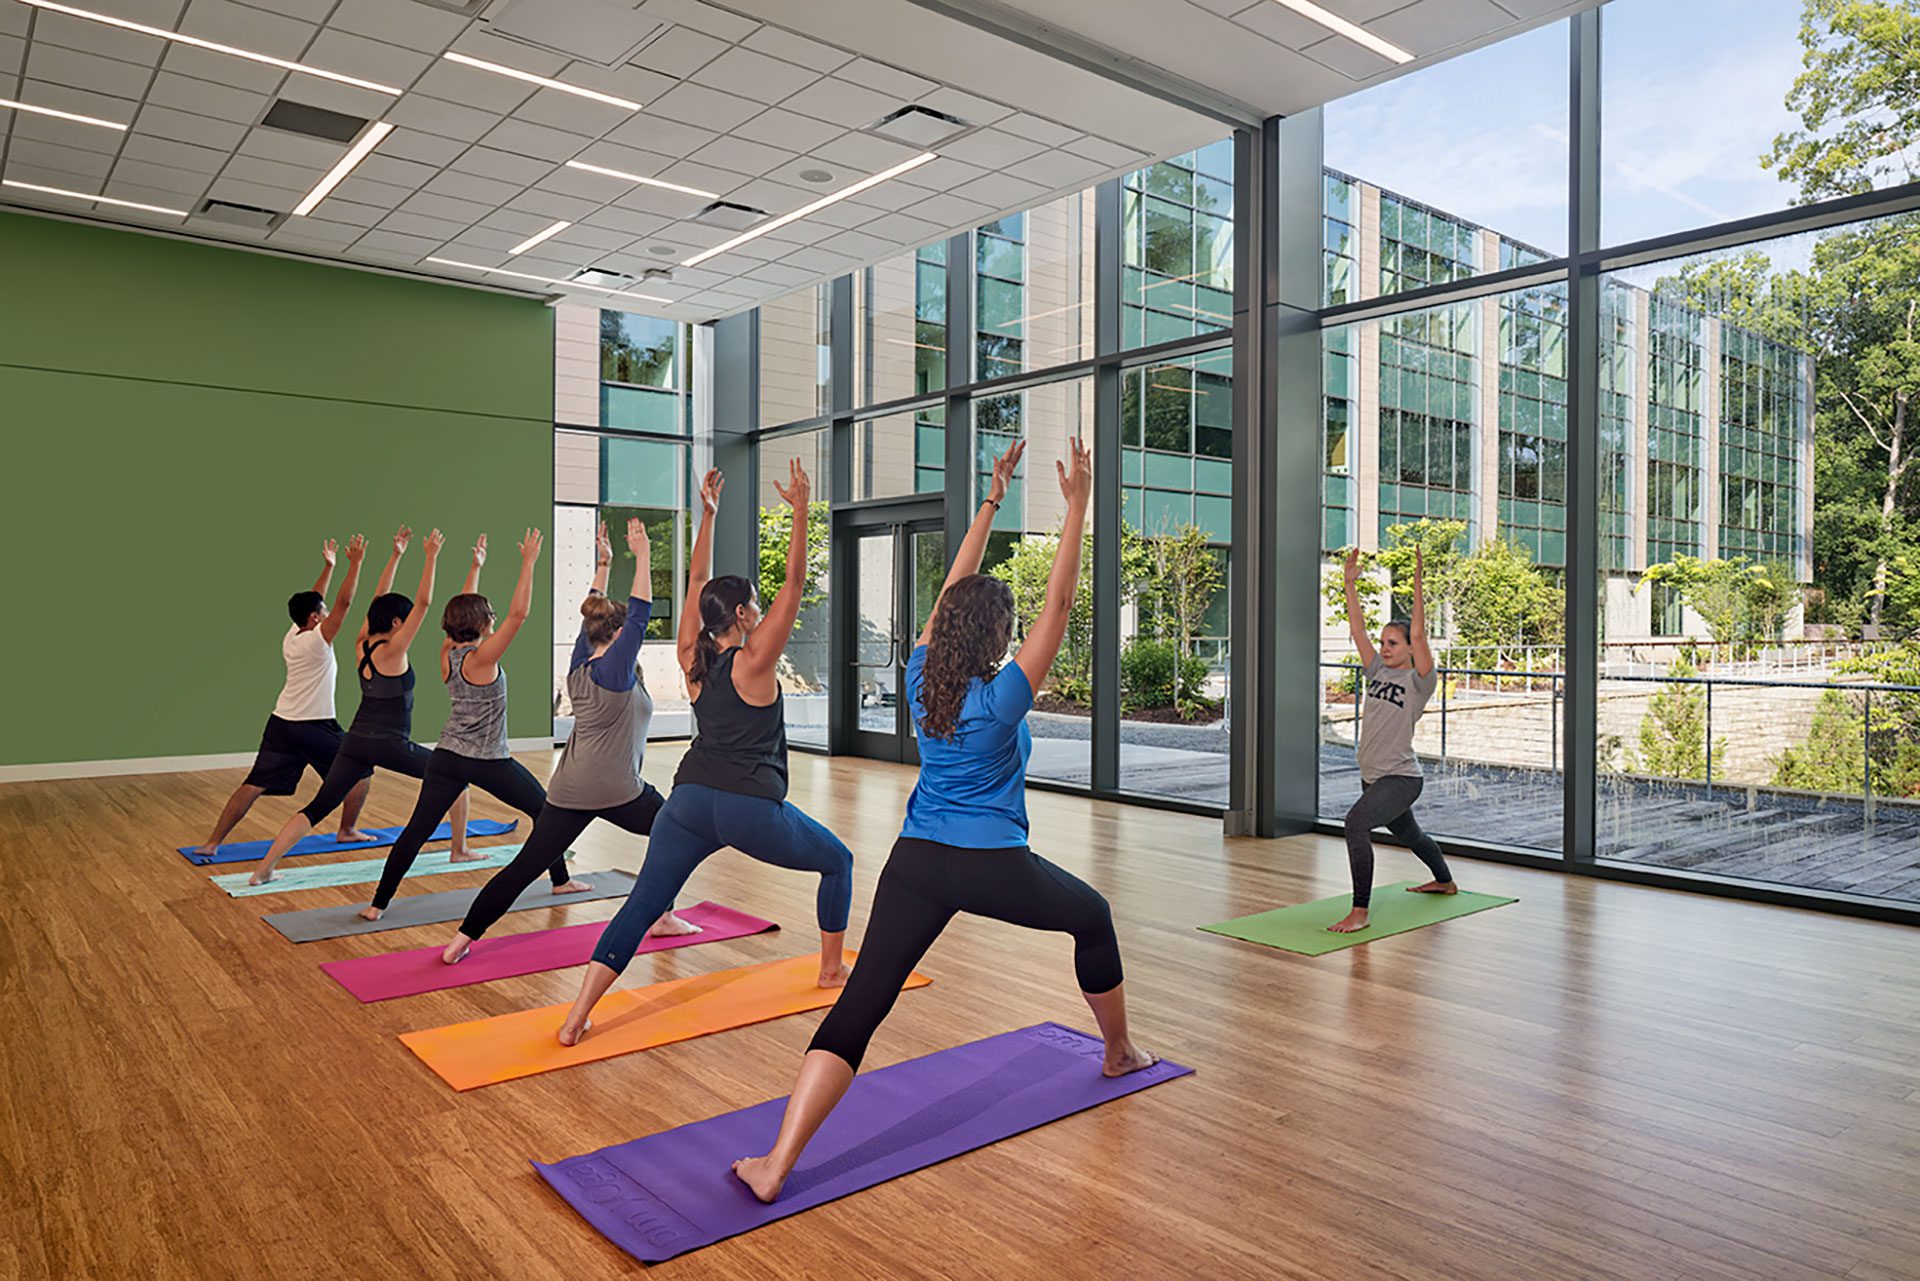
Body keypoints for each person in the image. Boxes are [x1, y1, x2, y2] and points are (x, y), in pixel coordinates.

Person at [730, 437, 1154, 1205]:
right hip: (991, 863)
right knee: (1092, 916)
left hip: (916, 860)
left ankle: (775, 1162)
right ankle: (1118, 1052)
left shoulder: (924, 670)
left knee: (862, 1002)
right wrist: (1079, 504)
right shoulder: (1001, 701)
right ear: (998, 638)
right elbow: (1059, 604)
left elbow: (950, 592)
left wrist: (993, 500)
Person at [554, 460, 853, 1046]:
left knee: (643, 904)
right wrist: (798, 511)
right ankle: (829, 969)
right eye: (756, 605)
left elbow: (693, 584)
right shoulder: (754, 661)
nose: (764, 610)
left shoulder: (691, 658)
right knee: (837, 861)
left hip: (687, 803)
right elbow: (795, 585)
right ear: (742, 616)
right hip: (749, 808)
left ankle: (576, 1016)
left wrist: (707, 516)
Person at [437, 517, 691, 963]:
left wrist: (605, 563)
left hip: (568, 788)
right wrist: (645, 555)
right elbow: (640, 612)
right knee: (675, 830)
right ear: (617, 636)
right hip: (617, 789)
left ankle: (463, 938)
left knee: (524, 867)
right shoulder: (614, 669)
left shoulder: (579, 660)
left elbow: (591, 608)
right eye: (625, 632)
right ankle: (662, 915)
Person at [356, 529, 594, 920]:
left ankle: (377, 904)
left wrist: (476, 567)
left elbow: (461, 612)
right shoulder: (482, 659)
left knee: (416, 831)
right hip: (486, 759)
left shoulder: (448, 652)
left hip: (447, 756)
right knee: (549, 811)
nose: (495, 619)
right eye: (490, 616)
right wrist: (529, 563)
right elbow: (519, 615)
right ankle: (560, 879)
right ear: (483, 623)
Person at [248, 527, 470, 885]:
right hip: (390, 743)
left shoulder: (361, 642)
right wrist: (430, 557)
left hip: (356, 742)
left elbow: (377, 599)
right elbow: (425, 603)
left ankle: (264, 869)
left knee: (318, 807)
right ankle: (458, 849)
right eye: (406, 618)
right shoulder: (395, 651)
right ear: (398, 623)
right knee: (457, 777)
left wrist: (396, 556)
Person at [189, 537, 374, 857]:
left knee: (254, 783)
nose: (327, 612)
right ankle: (346, 830)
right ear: (316, 619)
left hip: (281, 722)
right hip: (314, 725)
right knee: (362, 770)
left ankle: (212, 843)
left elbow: (315, 601)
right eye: (322, 612)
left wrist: (329, 566)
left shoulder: (293, 635)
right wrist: (355, 564)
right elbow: (343, 603)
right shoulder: (317, 642)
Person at [1328, 544, 1456, 934]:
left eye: (1392, 643)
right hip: (1373, 776)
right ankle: (1445, 881)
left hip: (1400, 779)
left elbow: (1418, 632)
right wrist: (1349, 585)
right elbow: (1356, 628)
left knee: (1355, 825)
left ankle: (1360, 911)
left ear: (1410, 649)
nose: (1383, 648)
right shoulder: (1377, 670)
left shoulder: (1420, 682)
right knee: (1410, 834)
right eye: (1382, 643)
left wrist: (1416, 577)